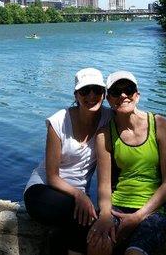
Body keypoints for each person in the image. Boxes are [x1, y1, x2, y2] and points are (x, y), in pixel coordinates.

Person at [24, 67, 113, 254]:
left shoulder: (108, 119)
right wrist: (79, 195)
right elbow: (52, 176)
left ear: (104, 95)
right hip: (44, 189)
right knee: (87, 223)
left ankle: (57, 241)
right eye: (85, 91)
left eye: (97, 90)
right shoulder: (58, 122)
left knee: (92, 227)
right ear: (76, 95)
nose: (91, 96)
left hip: (76, 197)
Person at [87, 71, 166, 255]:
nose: (122, 95)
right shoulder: (105, 135)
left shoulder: (160, 125)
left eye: (128, 90)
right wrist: (105, 215)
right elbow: (104, 186)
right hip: (117, 206)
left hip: (154, 210)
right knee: (97, 245)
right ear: (109, 99)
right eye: (115, 92)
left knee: (134, 253)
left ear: (137, 95)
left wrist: (138, 216)